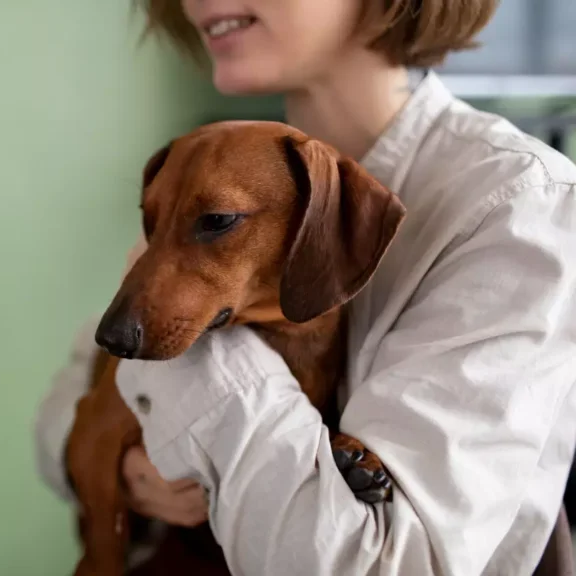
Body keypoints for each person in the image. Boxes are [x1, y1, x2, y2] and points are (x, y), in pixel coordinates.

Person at [34, 0, 576, 574]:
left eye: (220, 222)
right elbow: (62, 416)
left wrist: (216, 345)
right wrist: (123, 473)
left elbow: (376, 562)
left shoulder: (515, 203)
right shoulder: (213, 170)